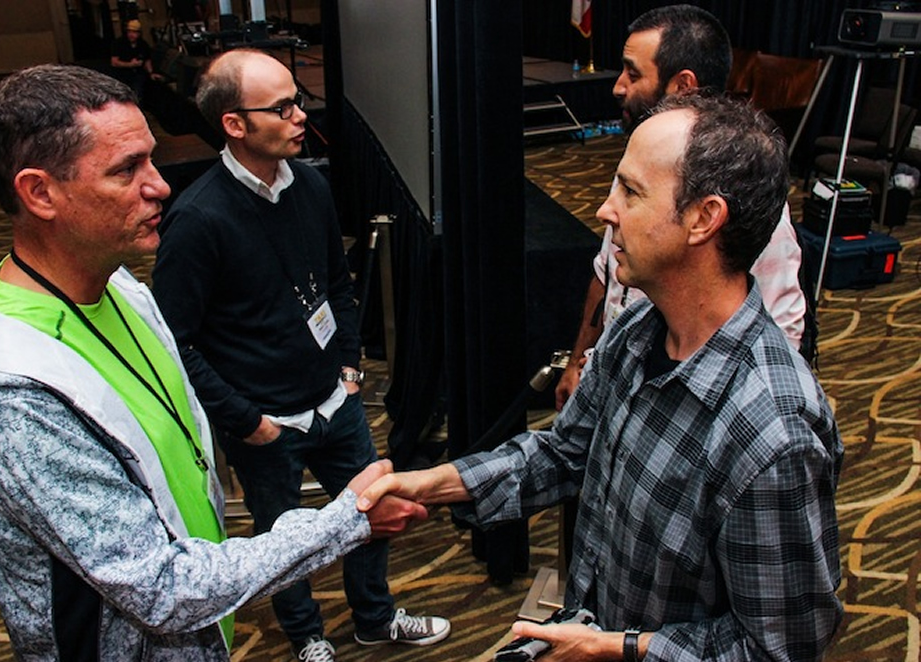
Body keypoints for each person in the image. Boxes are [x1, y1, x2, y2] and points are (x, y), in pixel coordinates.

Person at [0, 64, 426, 661]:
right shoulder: (11, 395)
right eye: (126, 169)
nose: (159, 186)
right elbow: (160, 586)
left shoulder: (123, 292)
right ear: (39, 193)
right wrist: (344, 520)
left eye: (151, 161)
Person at [358, 93, 844, 661]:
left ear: (704, 219)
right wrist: (431, 484)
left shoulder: (772, 435)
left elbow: (776, 650)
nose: (605, 210)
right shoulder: (639, 325)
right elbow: (566, 454)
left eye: (631, 191)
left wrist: (619, 650)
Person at [151, 49, 450, 661]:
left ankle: (375, 616)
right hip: (264, 423)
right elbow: (175, 342)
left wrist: (346, 368)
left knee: (372, 514)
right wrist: (246, 421)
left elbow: (336, 285)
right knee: (282, 542)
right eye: (282, 107)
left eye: (298, 101)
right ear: (234, 124)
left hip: (333, 402)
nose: (299, 115)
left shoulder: (310, 183)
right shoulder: (197, 220)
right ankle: (307, 637)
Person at [554, 4, 807, 411]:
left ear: (683, 85)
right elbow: (606, 279)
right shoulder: (645, 159)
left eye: (633, 73)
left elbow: (781, 334)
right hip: (618, 388)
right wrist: (577, 362)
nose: (618, 86)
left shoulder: (743, 192)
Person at [111, 18, 159, 103]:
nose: (131, 35)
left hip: (137, 74)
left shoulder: (143, 44)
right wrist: (130, 64)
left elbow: (147, 60)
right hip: (122, 74)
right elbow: (114, 62)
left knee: (138, 92)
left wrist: (151, 73)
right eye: (129, 32)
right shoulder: (119, 43)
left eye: (134, 32)